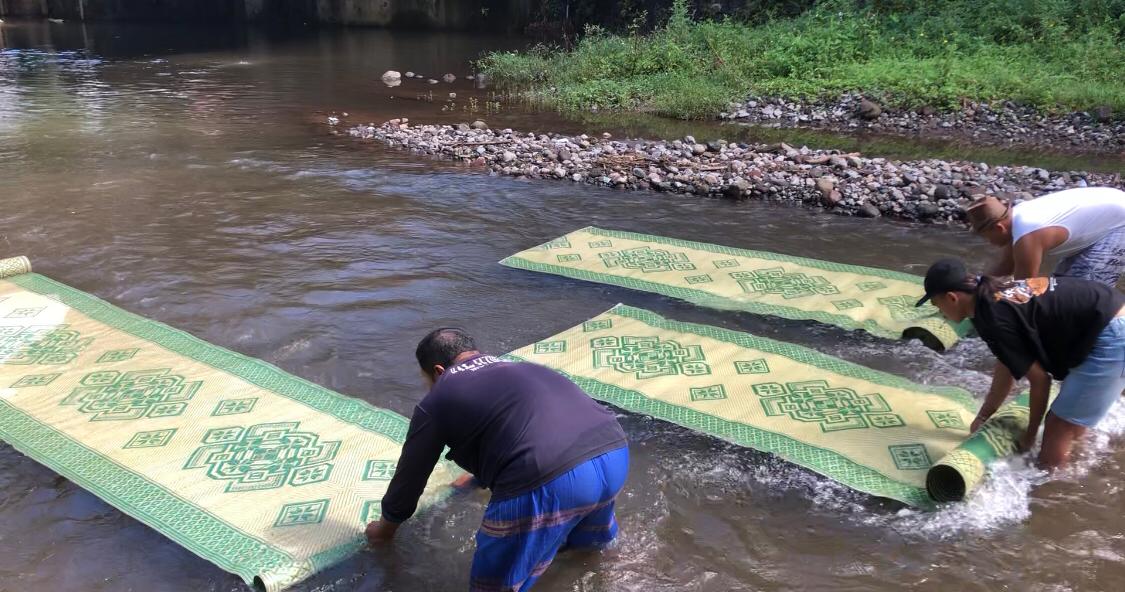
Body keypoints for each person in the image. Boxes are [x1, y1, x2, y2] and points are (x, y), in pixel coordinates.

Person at [365, 328, 629, 591]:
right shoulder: (522, 368)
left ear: (437, 371)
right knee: (591, 552)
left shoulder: (440, 394)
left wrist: (384, 530)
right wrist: (479, 478)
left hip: (548, 478)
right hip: (613, 452)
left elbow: (410, 477)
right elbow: (530, 423)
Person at [916, 258, 1125, 468]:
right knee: (1069, 422)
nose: (940, 312)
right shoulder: (988, 293)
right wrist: (984, 415)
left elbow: (1041, 381)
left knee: (1057, 427)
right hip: (1109, 317)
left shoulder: (993, 316)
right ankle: (1074, 470)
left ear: (952, 298)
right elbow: (1007, 363)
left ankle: (1050, 491)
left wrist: (1030, 437)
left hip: (1112, 334)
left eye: (936, 304)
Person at [965, 186, 1125, 285]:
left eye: (987, 237)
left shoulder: (1027, 234)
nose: (989, 243)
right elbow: (1006, 267)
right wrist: (975, 287)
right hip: (1105, 215)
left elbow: (1025, 287)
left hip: (1119, 223)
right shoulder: (1014, 221)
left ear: (999, 228)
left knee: (1083, 293)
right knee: (1062, 287)